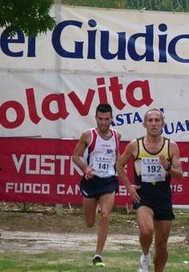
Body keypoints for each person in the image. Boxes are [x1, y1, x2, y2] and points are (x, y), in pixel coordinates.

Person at [116, 108, 183, 272]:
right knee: (147, 231)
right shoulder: (135, 145)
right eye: (150, 120)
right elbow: (119, 165)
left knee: (161, 245)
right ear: (144, 124)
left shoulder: (171, 146)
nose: (154, 123)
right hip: (143, 196)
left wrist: (168, 168)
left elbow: (180, 175)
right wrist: (128, 186)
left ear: (163, 124)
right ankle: (145, 256)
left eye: (157, 120)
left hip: (163, 197)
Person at [72, 103, 121, 267]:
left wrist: (124, 176)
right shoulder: (88, 135)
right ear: (96, 118)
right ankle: (97, 205)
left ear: (112, 118)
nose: (103, 122)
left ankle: (98, 255)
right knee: (90, 223)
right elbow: (75, 156)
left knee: (106, 215)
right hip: (91, 181)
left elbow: (118, 159)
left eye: (107, 119)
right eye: (100, 119)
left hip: (109, 181)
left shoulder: (117, 136)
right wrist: (85, 168)